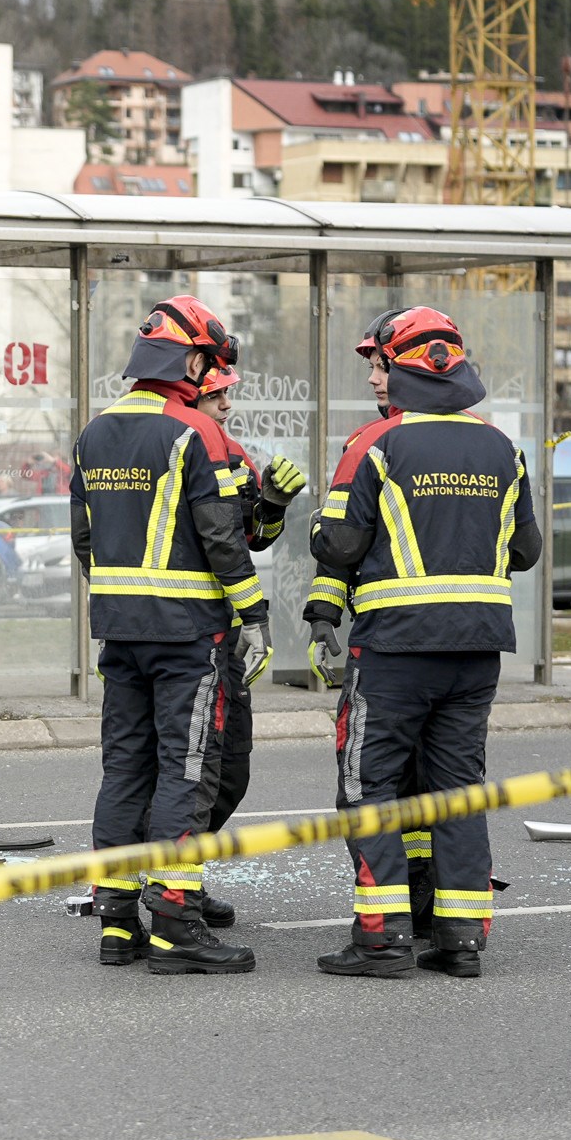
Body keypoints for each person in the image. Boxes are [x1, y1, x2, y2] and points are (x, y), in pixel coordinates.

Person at [307, 306, 540, 980]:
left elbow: (337, 544)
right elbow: (524, 551)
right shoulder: (501, 447)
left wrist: (321, 532)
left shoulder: (375, 444)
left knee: (369, 787)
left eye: (380, 363)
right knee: (458, 790)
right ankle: (459, 937)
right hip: (476, 650)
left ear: (407, 368)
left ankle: (380, 939)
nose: (373, 377)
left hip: (394, 650)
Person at [69, 295, 272, 974]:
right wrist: (252, 614)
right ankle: (177, 926)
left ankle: (117, 922)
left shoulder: (93, 433)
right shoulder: (195, 431)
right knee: (185, 772)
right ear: (188, 362)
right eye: (207, 362)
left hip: (120, 631)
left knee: (125, 770)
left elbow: (84, 540)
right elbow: (223, 538)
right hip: (187, 637)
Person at [191, 364, 306, 926]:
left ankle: (173, 878)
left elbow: (251, 537)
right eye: (216, 394)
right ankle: (164, 889)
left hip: (225, 638)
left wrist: (274, 505)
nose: (226, 404)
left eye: (228, 394)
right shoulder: (167, 446)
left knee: (227, 773)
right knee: (178, 774)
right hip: (183, 637)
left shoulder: (233, 454)